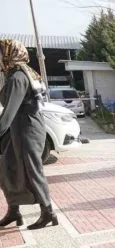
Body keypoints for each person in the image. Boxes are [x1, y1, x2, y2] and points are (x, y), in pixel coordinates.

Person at [0, 39, 58, 230]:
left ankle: (48, 211)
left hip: (27, 128)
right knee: (7, 167)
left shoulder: (18, 77)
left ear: (10, 53)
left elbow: (9, 110)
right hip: (16, 127)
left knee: (32, 170)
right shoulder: (12, 74)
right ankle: (14, 211)